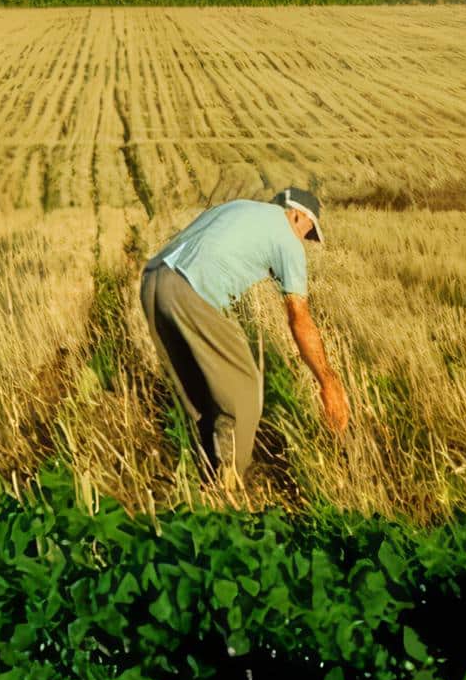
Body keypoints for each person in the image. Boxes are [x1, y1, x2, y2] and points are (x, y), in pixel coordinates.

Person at [140, 187, 349, 484]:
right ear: (297, 215)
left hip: (153, 282)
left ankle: (202, 483)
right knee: (244, 395)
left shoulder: (237, 207)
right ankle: (230, 491)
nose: (305, 239)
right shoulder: (287, 238)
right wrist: (328, 381)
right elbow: (299, 319)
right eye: (309, 231)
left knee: (200, 398)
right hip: (193, 291)